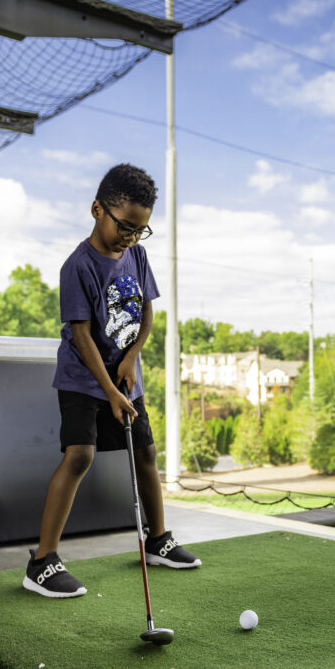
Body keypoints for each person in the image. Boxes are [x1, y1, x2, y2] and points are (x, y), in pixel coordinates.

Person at [25, 163, 200, 599]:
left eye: (140, 230)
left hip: (125, 378)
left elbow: (146, 313)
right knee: (80, 456)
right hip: (83, 381)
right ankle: (42, 563)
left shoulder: (137, 256)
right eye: (125, 226)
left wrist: (133, 358)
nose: (131, 237)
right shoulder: (77, 266)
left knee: (146, 454)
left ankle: (157, 540)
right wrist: (108, 389)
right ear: (97, 209)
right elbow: (82, 336)